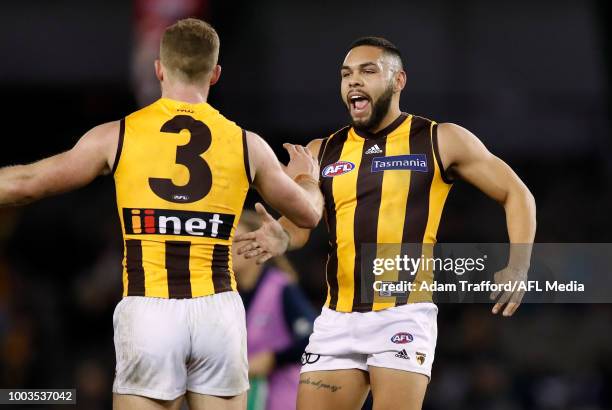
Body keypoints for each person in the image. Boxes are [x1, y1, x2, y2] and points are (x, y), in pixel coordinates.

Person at [0, 18, 323, 410]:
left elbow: (27, 183)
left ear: (158, 68)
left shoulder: (118, 135)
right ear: (215, 74)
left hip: (150, 307)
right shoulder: (246, 144)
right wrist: (307, 177)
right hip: (217, 311)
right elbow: (307, 214)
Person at [235, 36, 536, 410]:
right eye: (346, 75)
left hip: (402, 316)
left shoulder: (440, 139)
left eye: (367, 71)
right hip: (337, 320)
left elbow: (516, 194)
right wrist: (281, 237)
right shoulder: (320, 152)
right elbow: (301, 225)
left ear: (398, 81)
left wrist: (519, 265)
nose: (353, 81)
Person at [232, 210, 316, 410]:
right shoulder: (229, 295)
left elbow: (312, 337)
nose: (229, 249)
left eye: (236, 242)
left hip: (283, 396)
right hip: (246, 398)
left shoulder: (281, 287)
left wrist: (273, 358)